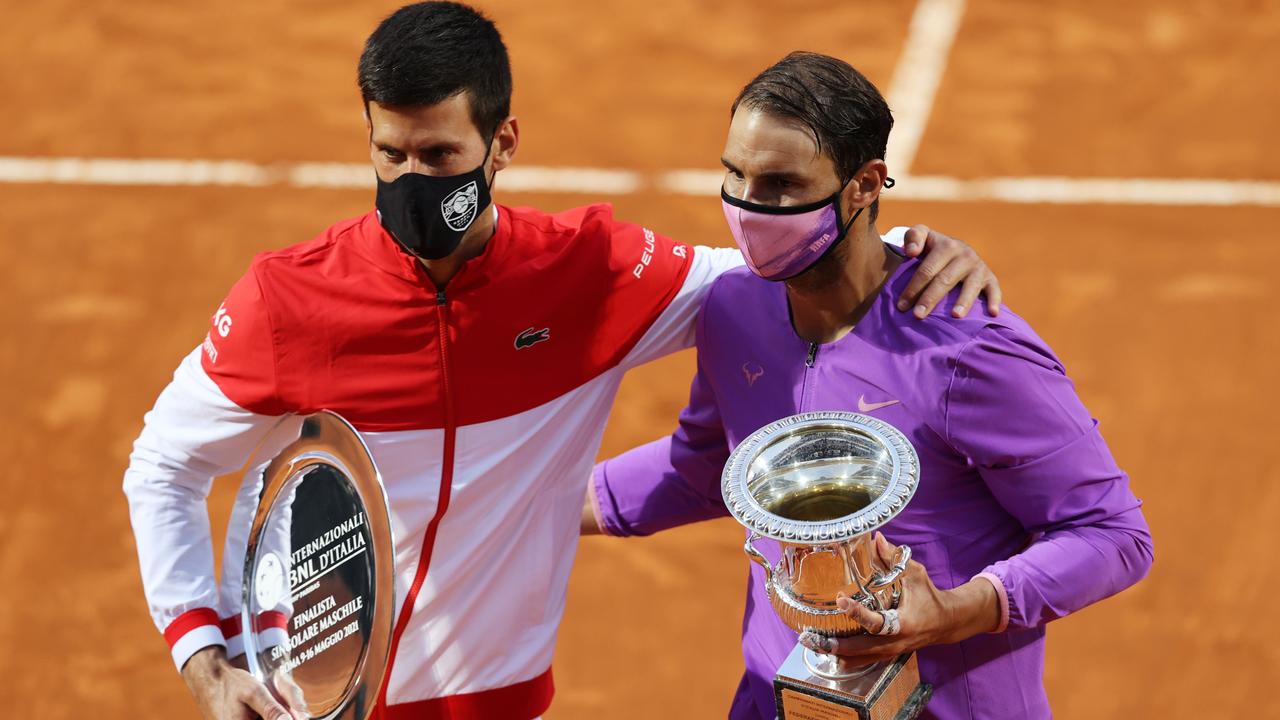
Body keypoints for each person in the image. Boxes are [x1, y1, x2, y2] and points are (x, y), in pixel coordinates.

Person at [121, 4, 1002, 719]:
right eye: (389, 153)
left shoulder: (587, 275)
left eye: (439, 157)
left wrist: (904, 252)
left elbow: (772, 270)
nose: (410, 181)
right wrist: (204, 660)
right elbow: (164, 466)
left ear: (502, 144)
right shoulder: (289, 302)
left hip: (498, 700)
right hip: (315, 696)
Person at [584, 51, 1154, 720]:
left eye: (780, 185)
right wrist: (526, 506)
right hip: (779, 699)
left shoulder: (970, 350)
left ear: (864, 185)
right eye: (734, 174)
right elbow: (712, 464)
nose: (747, 208)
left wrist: (951, 613)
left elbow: (1113, 535)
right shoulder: (734, 308)